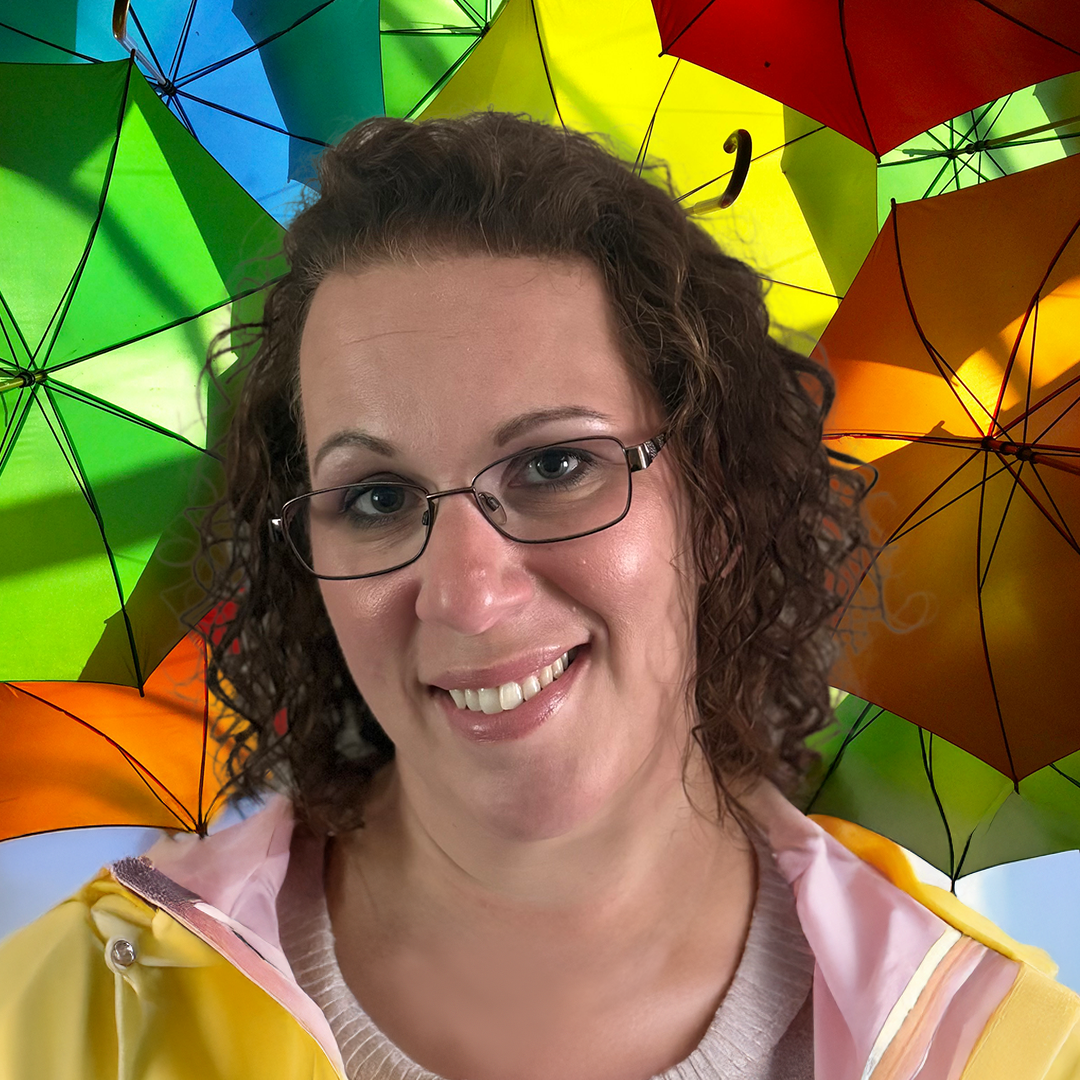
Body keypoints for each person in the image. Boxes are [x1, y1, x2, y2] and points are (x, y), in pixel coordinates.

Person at [1, 112, 1077, 1080]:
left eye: (556, 467)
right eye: (375, 496)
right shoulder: (61, 1022)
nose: (468, 598)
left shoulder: (1011, 1051)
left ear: (718, 506)